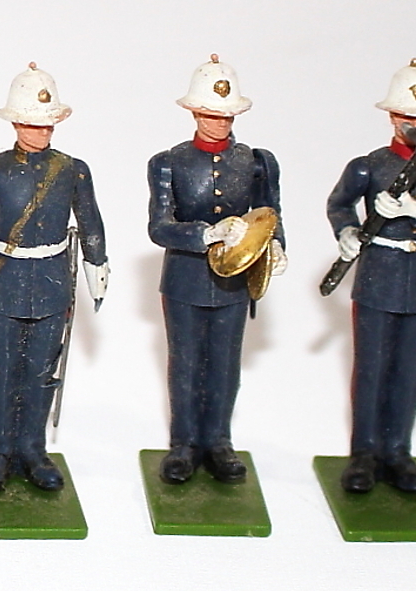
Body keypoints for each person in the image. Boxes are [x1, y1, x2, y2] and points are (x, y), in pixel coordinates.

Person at [324, 59, 416, 493]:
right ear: (391, 116)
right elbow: (339, 204)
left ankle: (397, 451)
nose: (415, 125)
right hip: (379, 276)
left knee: (409, 371)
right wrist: (347, 233)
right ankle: (364, 453)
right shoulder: (369, 166)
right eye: (408, 116)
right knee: (371, 369)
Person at [146, 55, 287, 484]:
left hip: (235, 281)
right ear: (194, 112)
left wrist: (275, 246)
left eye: (226, 115)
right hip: (186, 279)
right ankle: (184, 444)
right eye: (210, 114)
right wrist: (206, 234)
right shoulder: (169, 162)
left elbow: (270, 212)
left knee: (225, 363)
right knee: (185, 363)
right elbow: (159, 227)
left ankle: (219, 441)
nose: (219, 122)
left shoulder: (256, 162)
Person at [0, 64, 110, 492]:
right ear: (15, 123)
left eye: (48, 124)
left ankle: (33, 448)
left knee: (41, 370)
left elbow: (90, 219)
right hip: (4, 277)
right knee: (1, 370)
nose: (41, 132)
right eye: (33, 123)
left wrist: (97, 264)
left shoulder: (73, 169)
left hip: (51, 278)